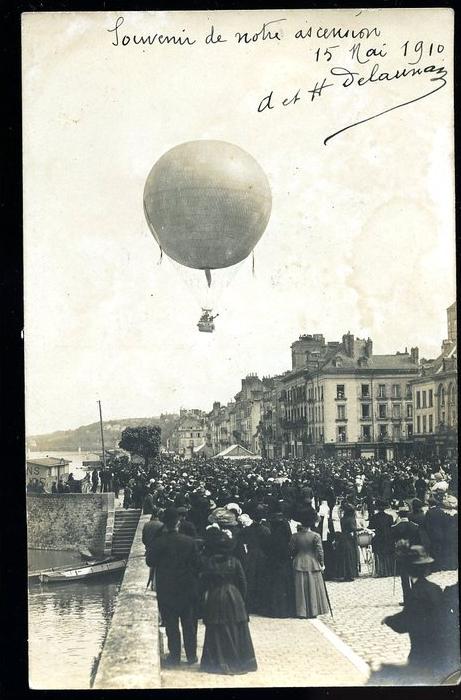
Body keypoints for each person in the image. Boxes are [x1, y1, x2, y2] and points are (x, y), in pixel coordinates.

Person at [382, 545, 446, 683]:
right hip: (439, 650)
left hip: (421, 651)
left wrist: (389, 620)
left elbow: (406, 622)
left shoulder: (414, 593)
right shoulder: (436, 589)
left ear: (408, 570)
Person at [148, 507, 200, 666]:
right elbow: (198, 564)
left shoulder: (158, 542)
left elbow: (150, 562)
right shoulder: (189, 542)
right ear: (178, 523)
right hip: (187, 587)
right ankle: (191, 656)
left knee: (171, 624)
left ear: (164, 524)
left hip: (167, 588)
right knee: (188, 624)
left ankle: (175, 656)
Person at [200, 530, 257, 675]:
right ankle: (238, 660)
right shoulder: (235, 561)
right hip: (233, 595)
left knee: (217, 628)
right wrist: (241, 599)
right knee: (236, 627)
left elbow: (204, 582)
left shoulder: (210, 562)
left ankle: (217, 661)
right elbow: (243, 582)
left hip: (215, 595)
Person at [289, 509, 329, 619]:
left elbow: (291, 550)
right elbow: (320, 552)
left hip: (299, 562)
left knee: (300, 588)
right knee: (313, 588)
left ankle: (302, 611)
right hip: (312, 562)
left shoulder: (295, 536)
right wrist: (322, 563)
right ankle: (313, 610)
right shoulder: (315, 536)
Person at [265, 506, 295, 618]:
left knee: (275, 587)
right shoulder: (286, 540)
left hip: (273, 565)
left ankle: (275, 610)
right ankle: (286, 610)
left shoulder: (271, 537)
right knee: (285, 587)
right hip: (284, 565)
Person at [392, 509, 420, 605]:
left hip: (402, 554)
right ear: (408, 515)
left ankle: (407, 599)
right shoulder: (415, 526)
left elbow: (394, 541)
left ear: (399, 516)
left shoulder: (396, 527)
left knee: (404, 578)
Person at [368, 499, 394, 577]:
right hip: (387, 538)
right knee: (387, 555)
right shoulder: (389, 517)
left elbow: (371, 527)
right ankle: (389, 571)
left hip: (378, 538)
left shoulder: (373, 517)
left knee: (378, 555)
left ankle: (380, 571)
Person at [336, 502, 359, 581]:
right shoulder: (351, 519)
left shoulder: (342, 519)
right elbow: (353, 528)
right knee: (350, 556)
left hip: (343, 538)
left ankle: (344, 574)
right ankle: (350, 574)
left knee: (345, 557)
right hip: (349, 538)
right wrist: (361, 528)